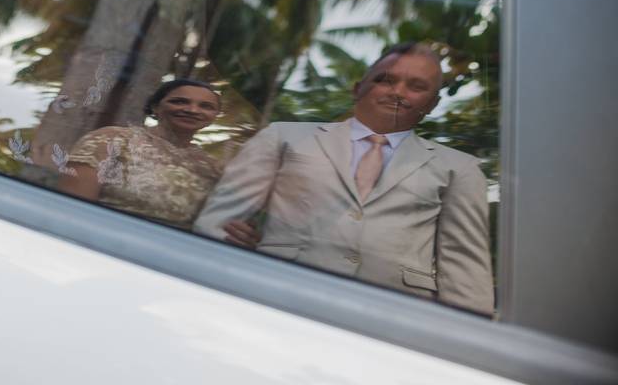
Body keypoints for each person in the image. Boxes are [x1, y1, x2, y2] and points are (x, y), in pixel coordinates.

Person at [193, 43, 494, 315]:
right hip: (275, 300)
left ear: (432, 103)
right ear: (357, 88)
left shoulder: (459, 167)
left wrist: (465, 342)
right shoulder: (283, 136)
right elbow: (219, 223)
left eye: (416, 86)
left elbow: (464, 267)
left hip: (394, 319)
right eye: (385, 80)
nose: (398, 92)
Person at [60, 79, 222, 230]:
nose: (192, 110)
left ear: (214, 116)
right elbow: (71, 208)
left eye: (206, 106)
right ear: (155, 107)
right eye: (179, 101)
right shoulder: (111, 139)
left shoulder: (212, 167)